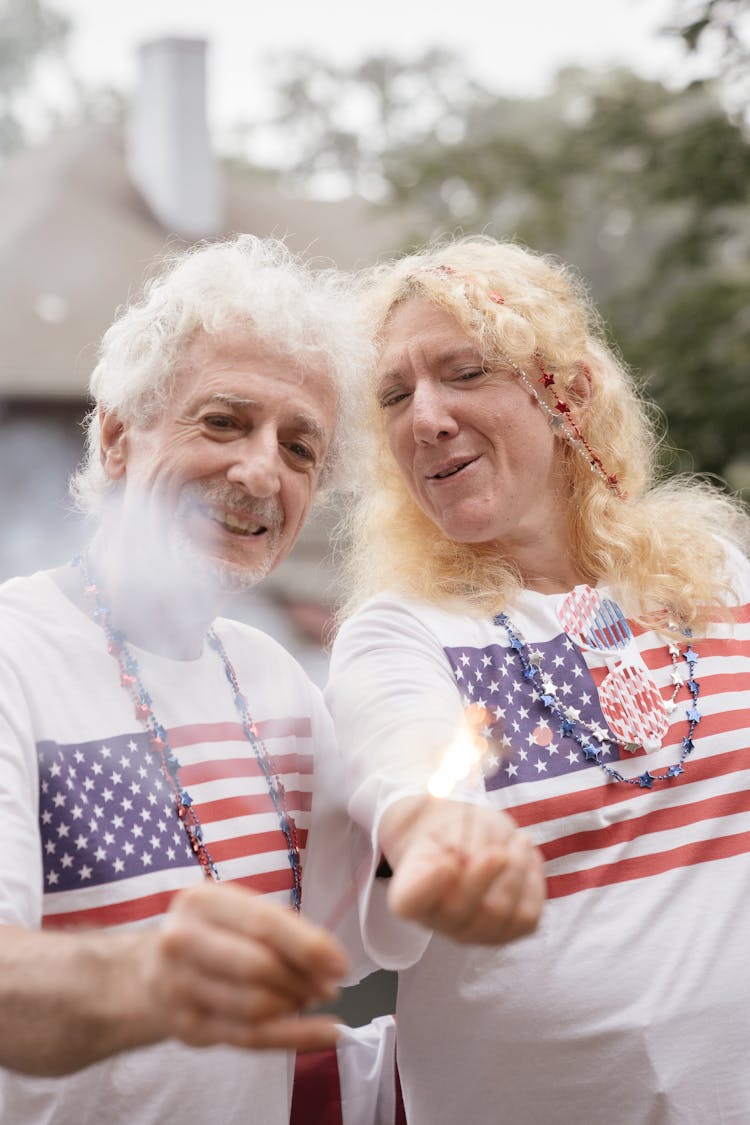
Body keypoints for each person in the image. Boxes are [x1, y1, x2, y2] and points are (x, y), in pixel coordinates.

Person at [324, 235, 750, 1124]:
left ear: (568, 393)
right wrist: (433, 831)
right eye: (396, 394)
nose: (425, 416)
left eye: (464, 371)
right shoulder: (401, 632)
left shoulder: (715, 576)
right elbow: (402, 755)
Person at [0, 233, 377, 1124]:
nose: (260, 471)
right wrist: (151, 977)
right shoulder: (12, 658)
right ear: (120, 439)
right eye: (224, 420)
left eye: (299, 448)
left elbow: (347, 943)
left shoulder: (279, 682)